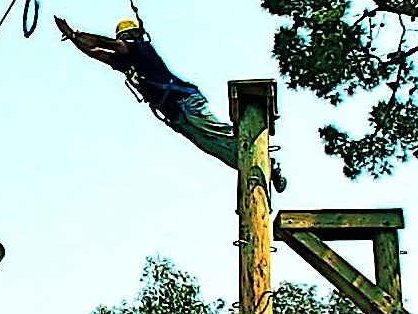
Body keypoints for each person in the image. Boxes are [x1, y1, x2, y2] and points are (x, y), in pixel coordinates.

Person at [55, 16, 286, 188]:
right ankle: (260, 168)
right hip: (176, 113)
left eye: (127, 38)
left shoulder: (141, 49)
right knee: (215, 147)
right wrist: (73, 39)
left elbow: (103, 43)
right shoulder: (126, 63)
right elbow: (94, 52)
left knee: (223, 134)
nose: (126, 41)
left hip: (187, 102)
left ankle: (266, 158)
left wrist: (75, 32)